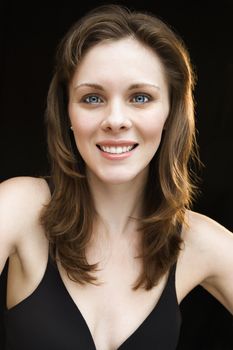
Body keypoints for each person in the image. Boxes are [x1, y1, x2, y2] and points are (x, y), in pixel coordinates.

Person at [0, 4, 232, 350]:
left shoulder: (199, 242)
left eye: (140, 97)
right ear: (67, 112)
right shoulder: (19, 206)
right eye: (92, 98)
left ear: (171, 112)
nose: (116, 119)